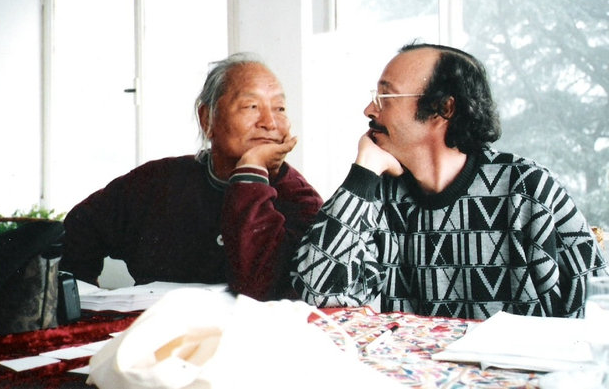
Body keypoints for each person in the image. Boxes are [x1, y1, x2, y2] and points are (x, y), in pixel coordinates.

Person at [292, 42, 607, 319]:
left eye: (385, 96)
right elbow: (318, 293)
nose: (369, 109)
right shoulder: (378, 196)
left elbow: (597, 303)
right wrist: (363, 174)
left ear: (444, 108)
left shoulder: (527, 189)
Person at [60, 52, 323, 301]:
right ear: (206, 118)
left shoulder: (302, 201)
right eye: (251, 106)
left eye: (280, 108)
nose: (270, 122)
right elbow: (79, 229)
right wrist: (81, 300)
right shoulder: (157, 182)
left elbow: (258, 288)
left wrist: (251, 172)